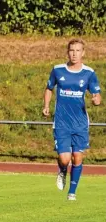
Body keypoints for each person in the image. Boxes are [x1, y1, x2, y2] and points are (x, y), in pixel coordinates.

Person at [43, 38, 101, 201]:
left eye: (77, 51)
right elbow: (49, 88)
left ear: (83, 53)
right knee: (65, 158)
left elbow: (97, 95)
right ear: (67, 52)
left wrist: (96, 100)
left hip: (80, 122)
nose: (74, 54)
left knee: (78, 157)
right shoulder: (57, 70)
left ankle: (72, 192)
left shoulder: (89, 73)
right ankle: (62, 170)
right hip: (61, 122)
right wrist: (46, 105)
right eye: (71, 50)